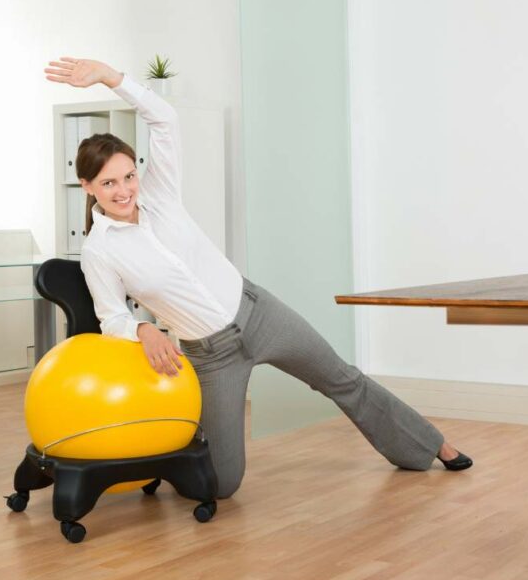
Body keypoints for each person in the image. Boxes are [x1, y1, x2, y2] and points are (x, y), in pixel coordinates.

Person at [44, 57, 472, 498]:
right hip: (211, 356)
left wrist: (110, 77)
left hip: (258, 312)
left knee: (342, 379)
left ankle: (429, 443)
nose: (124, 190)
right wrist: (143, 328)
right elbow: (111, 317)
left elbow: (165, 118)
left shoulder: (160, 194)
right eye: (109, 183)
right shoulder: (99, 250)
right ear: (87, 186)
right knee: (222, 486)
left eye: (129, 175)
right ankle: (164, 460)